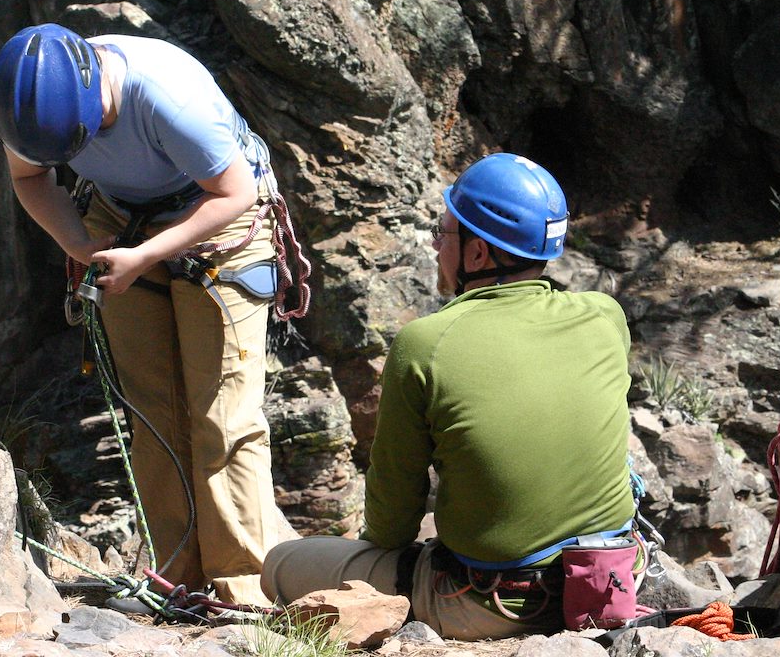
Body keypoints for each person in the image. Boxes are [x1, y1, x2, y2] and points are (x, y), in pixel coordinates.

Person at [260, 153, 635, 638]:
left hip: (492, 604)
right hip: (610, 581)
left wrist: (376, 554)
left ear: (478, 254)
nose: (438, 245)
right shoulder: (604, 315)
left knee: (282, 562)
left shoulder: (426, 343)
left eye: (444, 232)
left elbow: (392, 524)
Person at [0, 23, 293, 606]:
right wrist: (80, 245)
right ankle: (178, 579)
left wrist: (147, 255)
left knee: (223, 416)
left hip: (217, 217)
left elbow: (235, 193)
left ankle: (244, 590)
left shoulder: (168, 96)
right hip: (118, 217)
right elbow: (30, 178)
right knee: (152, 409)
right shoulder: (28, 105)